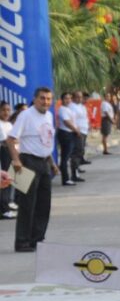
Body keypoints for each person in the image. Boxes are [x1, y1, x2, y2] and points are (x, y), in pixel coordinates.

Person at [6, 87, 59, 252]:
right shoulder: (26, 115)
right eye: (42, 98)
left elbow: (45, 141)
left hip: (44, 163)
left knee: (44, 204)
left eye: (49, 99)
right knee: (27, 204)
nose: (46, 102)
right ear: (35, 99)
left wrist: (52, 163)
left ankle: (37, 239)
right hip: (28, 162)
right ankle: (22, 241)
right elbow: (10, 139)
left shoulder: (49, 116)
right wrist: (15, 160)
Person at [57, 92, 80, 185]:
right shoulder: (62, 109)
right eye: (66, 98)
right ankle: (65, 179)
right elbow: (67, 122)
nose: (68, 100)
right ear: (62, 100)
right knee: (65, 158)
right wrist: (76, 130)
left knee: (68, 156)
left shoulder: (68, 109)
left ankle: (71, 176)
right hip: (65, 134)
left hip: (70, 133)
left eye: (70, 98)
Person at [69, 91, 89, 180]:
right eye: (77, 97)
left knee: (80, 151)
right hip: (77, 132)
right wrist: (76, 130)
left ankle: (77, 169)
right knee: (76, 152)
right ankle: (74, 174)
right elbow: (72, 120)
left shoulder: (82, 106)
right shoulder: (71, 107)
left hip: (84, 131)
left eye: (81, 97)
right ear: (73, 98)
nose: (80, 99)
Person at [0, 101, 15, 218]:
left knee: (10, 180)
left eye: (8, 110)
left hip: (12, 153)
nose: (6, 112)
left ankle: (7, 203)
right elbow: (5, 142)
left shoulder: (9, 124)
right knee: (5, 180)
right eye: (3, 110)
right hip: (4, 153)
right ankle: (4, 209)